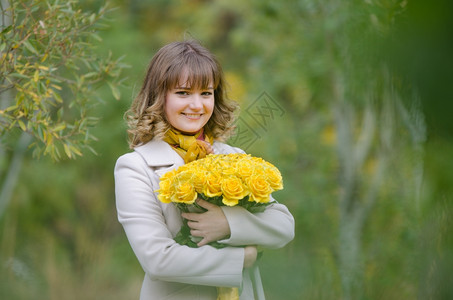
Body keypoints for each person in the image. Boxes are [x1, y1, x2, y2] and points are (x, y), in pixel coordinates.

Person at [114, 40, 295, 300]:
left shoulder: (233, 157)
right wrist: (243, 256)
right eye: (183, 93)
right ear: (158, 96)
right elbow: (158, 259)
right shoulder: (135, 167)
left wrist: (227, 224)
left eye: (206, 93)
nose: (197, 105)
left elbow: (284, 225)